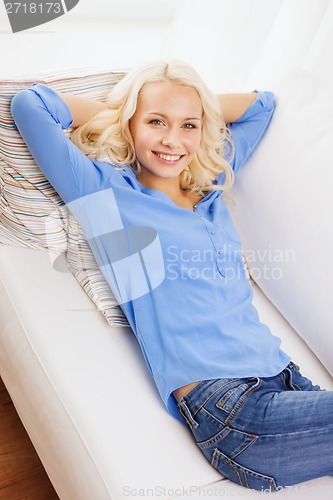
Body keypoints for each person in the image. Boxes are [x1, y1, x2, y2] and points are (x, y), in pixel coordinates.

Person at [11, 60, 333, 492]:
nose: (171, 140)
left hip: (286, 378)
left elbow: (262, 106)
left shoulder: (211, 185)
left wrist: (194, 106)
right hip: (232, 412)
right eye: (156, 122)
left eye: (188, 126)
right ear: (131, 123)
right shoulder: (106, 193)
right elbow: (31, 106)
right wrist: (123, 110)